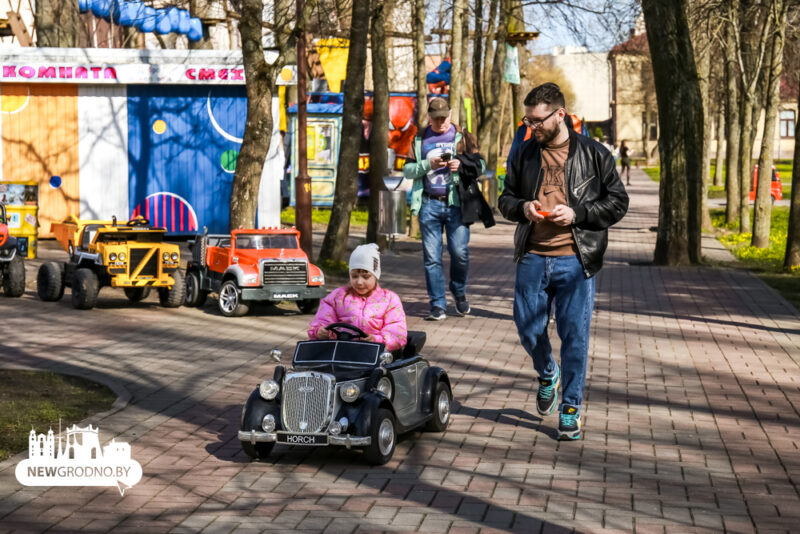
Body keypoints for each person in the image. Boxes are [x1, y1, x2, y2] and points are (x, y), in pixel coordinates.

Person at [498, 83, 628, 440]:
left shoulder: (594, 154)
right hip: (533, 256)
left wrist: (578, 213)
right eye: (527, 120)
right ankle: (547, 372)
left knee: (575, 337)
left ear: (559, 115)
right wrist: (522, 208)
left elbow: (618, 203)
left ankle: (570, 409)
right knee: (527, 327)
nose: (532, 127)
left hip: (576, 259)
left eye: (538, 121)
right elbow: (505, 198)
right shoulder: (524, 153)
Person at [403, 97, 471, 321]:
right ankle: (438, 305)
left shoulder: (462, 136)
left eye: (444, 118)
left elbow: (479, 164)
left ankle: (459, 292)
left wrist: (461, 164)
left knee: (459, 254)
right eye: (436, 118)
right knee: (432, 258)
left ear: (450, 115)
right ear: (429, 117)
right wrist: (427, 165)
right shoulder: (420, 138)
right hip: (429, 203)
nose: (441, 122)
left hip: (456, 204)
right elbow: (408, 171)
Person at [308, 243, 407, 351]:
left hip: (375, 354)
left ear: (376, 275)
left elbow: (397, 333)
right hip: (340, 352)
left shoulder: (389, 300)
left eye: (366, 277)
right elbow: (321, 321)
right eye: (354, 276)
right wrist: (319, 331)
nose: (359, 282)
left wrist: (376, 339)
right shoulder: (337, 297)